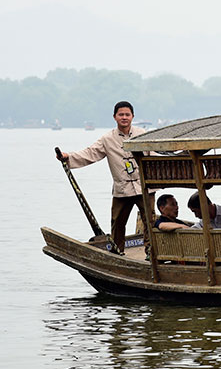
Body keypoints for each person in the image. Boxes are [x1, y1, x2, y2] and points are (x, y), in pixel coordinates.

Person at [55, 101, 153, 254]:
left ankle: (151, 252)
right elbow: (90, 153)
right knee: (117, 222)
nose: (124, 118)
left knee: (150, 221)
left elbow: (155, 155)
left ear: (133, 116)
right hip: (122, 188)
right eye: (121, 114)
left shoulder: (143, 135)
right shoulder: (108, 139)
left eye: (127, 114)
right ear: (114, 117)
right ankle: (117, 252)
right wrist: (68, 157)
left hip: (144, 185)